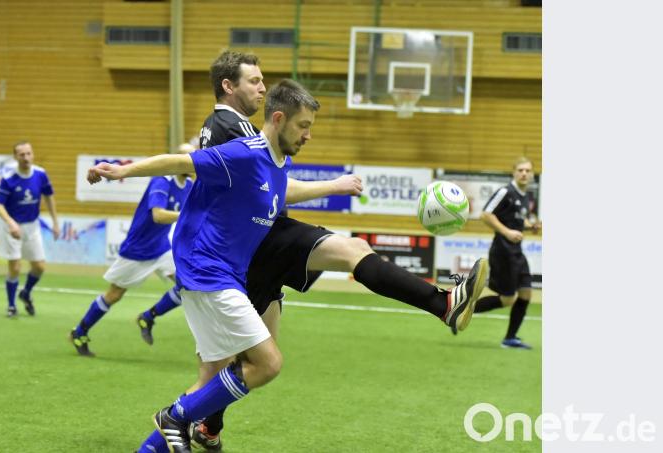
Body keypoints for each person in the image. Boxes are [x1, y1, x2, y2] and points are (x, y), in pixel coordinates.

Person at [89, 79, 485, 453]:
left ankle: (163, 440)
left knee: (218, 376)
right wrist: (121, 171)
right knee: (267, 362)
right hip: (209, 273)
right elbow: (182, 161)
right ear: (278, 119)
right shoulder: (244, 153)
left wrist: (334, 186)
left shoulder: (276, 165)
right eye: (303, 125)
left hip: (228, 274)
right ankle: (174, 417)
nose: (308, 134)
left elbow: (282, 190)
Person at [188, 50, 491, 450]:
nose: (262, 87)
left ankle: (205, 426)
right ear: (229, 86)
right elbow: (278, 190)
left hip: (252, 247)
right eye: (254, 81)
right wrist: (335, 185)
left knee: (244, 364)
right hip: (261, 241)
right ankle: (444, 303)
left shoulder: (222, 127)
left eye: (262, 81)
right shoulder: (234, 128)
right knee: (352, 249)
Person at [69, 144, 195, 357]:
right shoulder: (161, 180)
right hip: (138, 249)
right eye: (186, 155)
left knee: (189, 285)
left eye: (193, 155)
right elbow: (157, 215)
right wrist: (185, 215)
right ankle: (79, 331)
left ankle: (148, 317)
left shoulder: (189, 185)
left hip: (162, 247)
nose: (191, 159)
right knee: (114, 294)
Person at [473, 157, 541, 350]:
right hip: (502, 251)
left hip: (517, 252)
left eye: (528, 170)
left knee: (526, 294)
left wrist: (531, 226)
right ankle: (461, 311)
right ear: (513, 172)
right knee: (507, 299)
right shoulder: (505, 192)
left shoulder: (526, 196)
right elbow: (485, 214)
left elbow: (518, 222)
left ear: (532, 174)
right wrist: (507, 232)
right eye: (520, 170)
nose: (524, 173)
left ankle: (510, 338)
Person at [0, 141, 60, 317]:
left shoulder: (40, 174)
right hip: (11, 227)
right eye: (22, 155)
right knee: (15, 267)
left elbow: (49, 196)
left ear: (33, 154)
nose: (26, 157)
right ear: (16, 157)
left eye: (28, 153)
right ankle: (11, 305)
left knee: (39, 267)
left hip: (32, 226)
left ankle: (26, 293)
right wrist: (10, 222)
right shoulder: (9, 179)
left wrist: (55, 222)